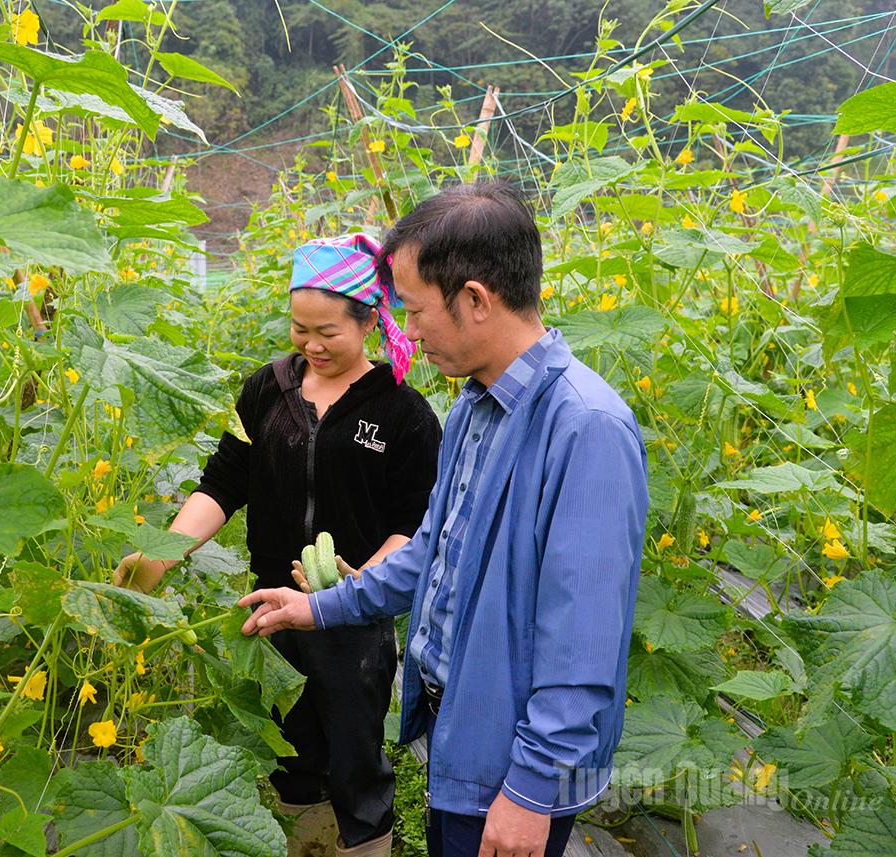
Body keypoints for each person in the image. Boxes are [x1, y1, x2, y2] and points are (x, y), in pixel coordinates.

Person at [236, 181, 650, 857]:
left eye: (415, 310)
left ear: (476, 300)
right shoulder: (474, 409)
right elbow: (433, 550)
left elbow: (584, 645)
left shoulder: (586, 429)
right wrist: (322, 607)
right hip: (461, 736)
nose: (406, 329)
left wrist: (530, 792)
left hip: (512, 774)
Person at [115, 233, 442, 857]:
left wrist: (359, 582)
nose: (312, 345)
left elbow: (414, 522)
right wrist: (161, 554)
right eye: (300, 329)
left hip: (354, 615)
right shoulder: (267, 389)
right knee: (291, 752)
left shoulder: (403, 414)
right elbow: (223, 483)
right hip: (270, 606)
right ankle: (307, 843)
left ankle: (364, 845)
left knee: (355, 757)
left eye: (328, 332)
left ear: (370, 320)